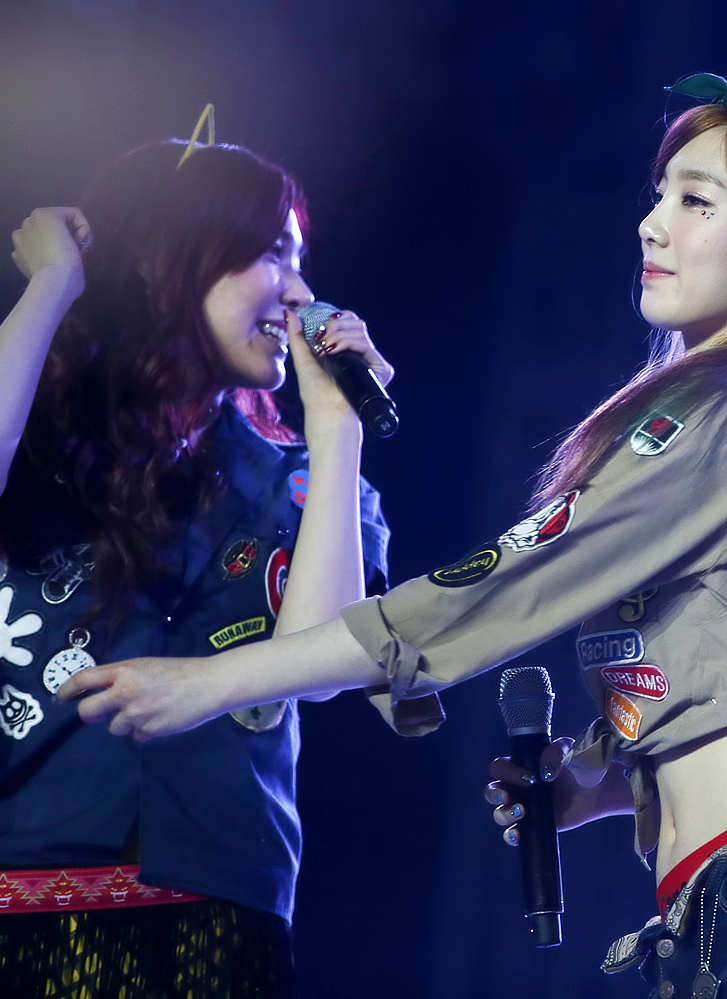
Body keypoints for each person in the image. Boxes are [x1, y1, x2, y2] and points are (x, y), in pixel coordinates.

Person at [62, 75, 727, 996]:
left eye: (696, 201)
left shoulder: (726, 419)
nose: (651, 225)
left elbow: (499, 589)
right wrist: (592, 780)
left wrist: (208, 681)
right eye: (659, 195)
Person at [0, 127, 392, 997]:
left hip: (217, 917)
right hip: (24, 899)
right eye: (270, 253)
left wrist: (338, 425)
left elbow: (326, 662)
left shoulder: (302, 478)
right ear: (169, 258)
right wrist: (55, 283)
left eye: (301, 261)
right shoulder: (40, 437)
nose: (299, 291)